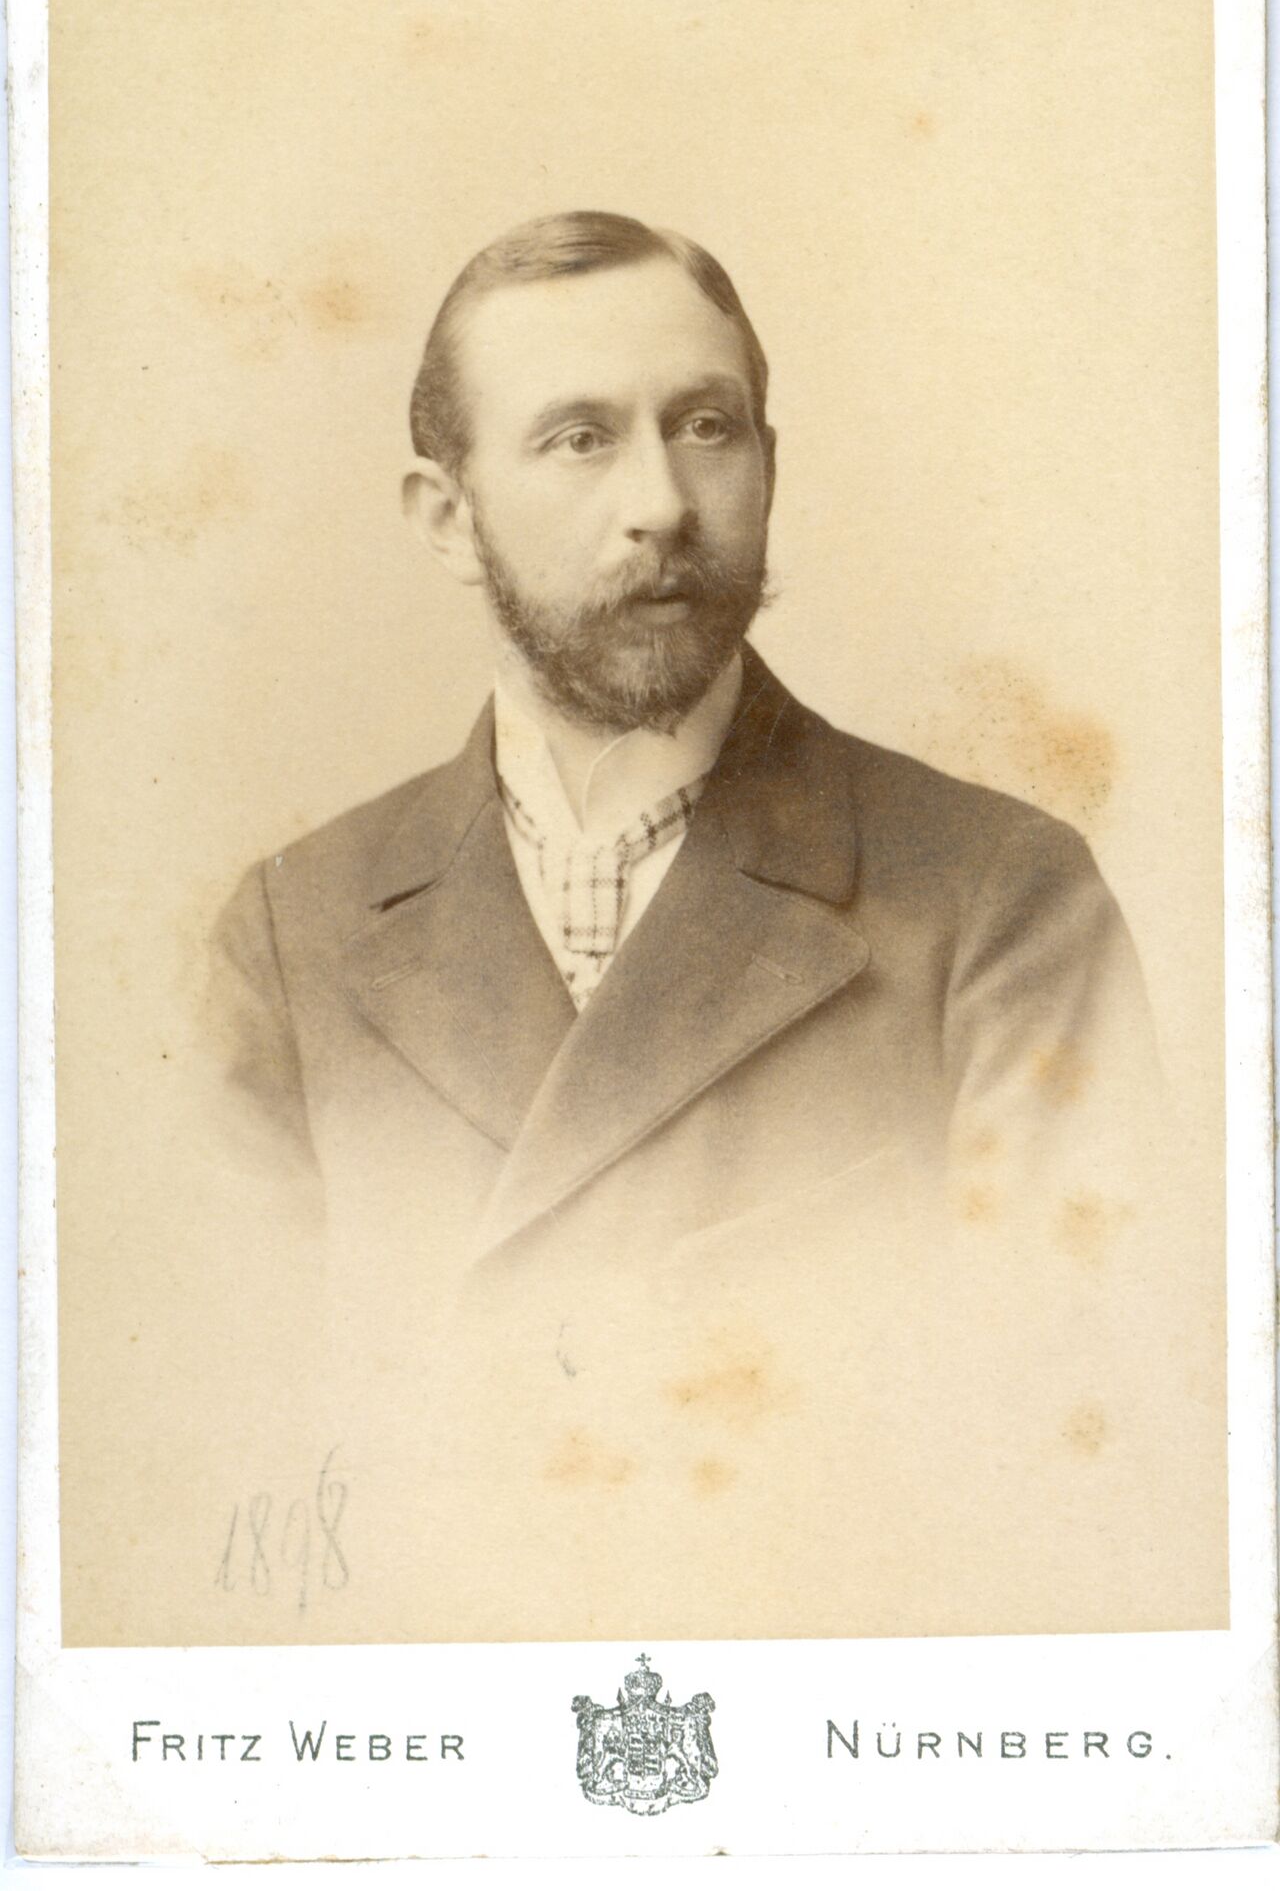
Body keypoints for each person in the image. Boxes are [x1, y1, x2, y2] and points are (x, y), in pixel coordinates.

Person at [206, 211, 1213, 1644]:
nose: (663, 503)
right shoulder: (291, 935)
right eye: (579, 438)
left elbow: (1093, 1465)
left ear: (768, 466)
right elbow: (232, 1473)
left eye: (705, 427)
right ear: (445, 516)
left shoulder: (1000, 898)